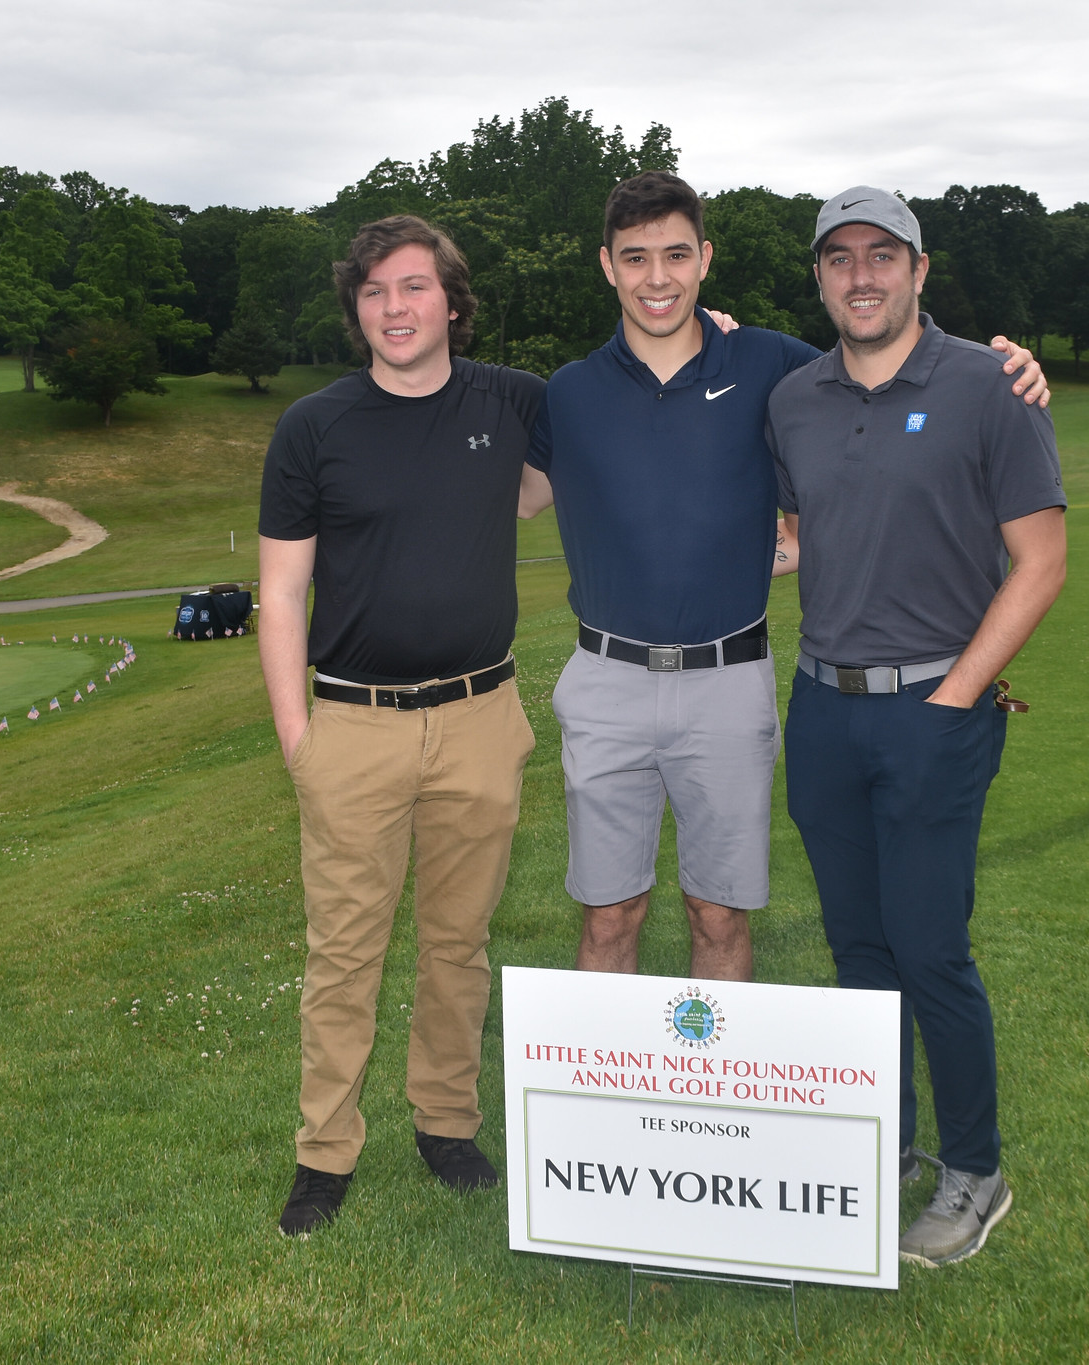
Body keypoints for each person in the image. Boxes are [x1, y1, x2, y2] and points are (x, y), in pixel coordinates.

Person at [519, 171, 1047, 982]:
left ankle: (714, 1073)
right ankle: (607, 1073)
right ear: (606, 265)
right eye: (635, 258)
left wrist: (1007, 367)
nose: (657, 278)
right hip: (606, 682)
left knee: (718, 910)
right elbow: (513, 496)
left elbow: (881, 364)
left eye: (676, 255)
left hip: (728, 681)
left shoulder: (769, 363)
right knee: (608, 912)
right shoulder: (570, 392)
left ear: (705, 260)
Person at [766, 188, 1068, 1268]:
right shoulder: (793, 397)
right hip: (821, 708)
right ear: (819, 277)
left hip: (935, 706)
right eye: (840, 258)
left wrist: (955, 696)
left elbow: (1041, 561)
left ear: (919, 270)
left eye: (882, 255)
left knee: (930, 949)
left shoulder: (989, 384)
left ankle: (974, 1170)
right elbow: (800, 536)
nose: (862, 276)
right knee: (858, 945)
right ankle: (882, 1141)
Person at [257, 215, 543, 1237]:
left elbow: (625, 415)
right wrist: (298, 738)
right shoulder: (314, 426)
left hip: (480, 718)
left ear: (452, 301)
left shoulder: (513, 401)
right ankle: (323, 1153)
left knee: (458, 945)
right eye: (374, 291)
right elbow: (280, 593)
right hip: (354, 726)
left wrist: (714, 335)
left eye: (414, 286)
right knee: (344, 953)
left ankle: (446, 1125)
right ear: (356, 308)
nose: (394, 308)